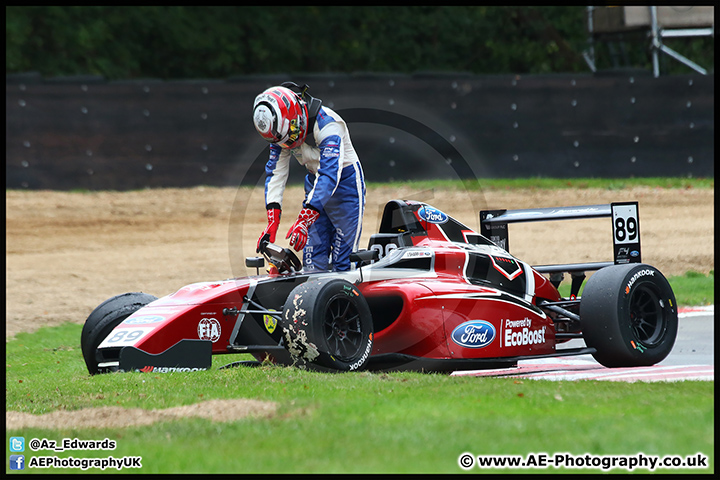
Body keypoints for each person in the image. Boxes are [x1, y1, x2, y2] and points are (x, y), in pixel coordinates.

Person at [252, 82, 365, 272]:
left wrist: (304, 219)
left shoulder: (329, 124)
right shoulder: (280, 134)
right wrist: (273, 220)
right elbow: (275, 173)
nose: (288, 143)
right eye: (282, 140)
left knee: (343, 263)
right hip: (315, 186)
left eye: (290, 136)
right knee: (313, 262)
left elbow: (330, 175)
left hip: (345, 187)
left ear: (297, 114)